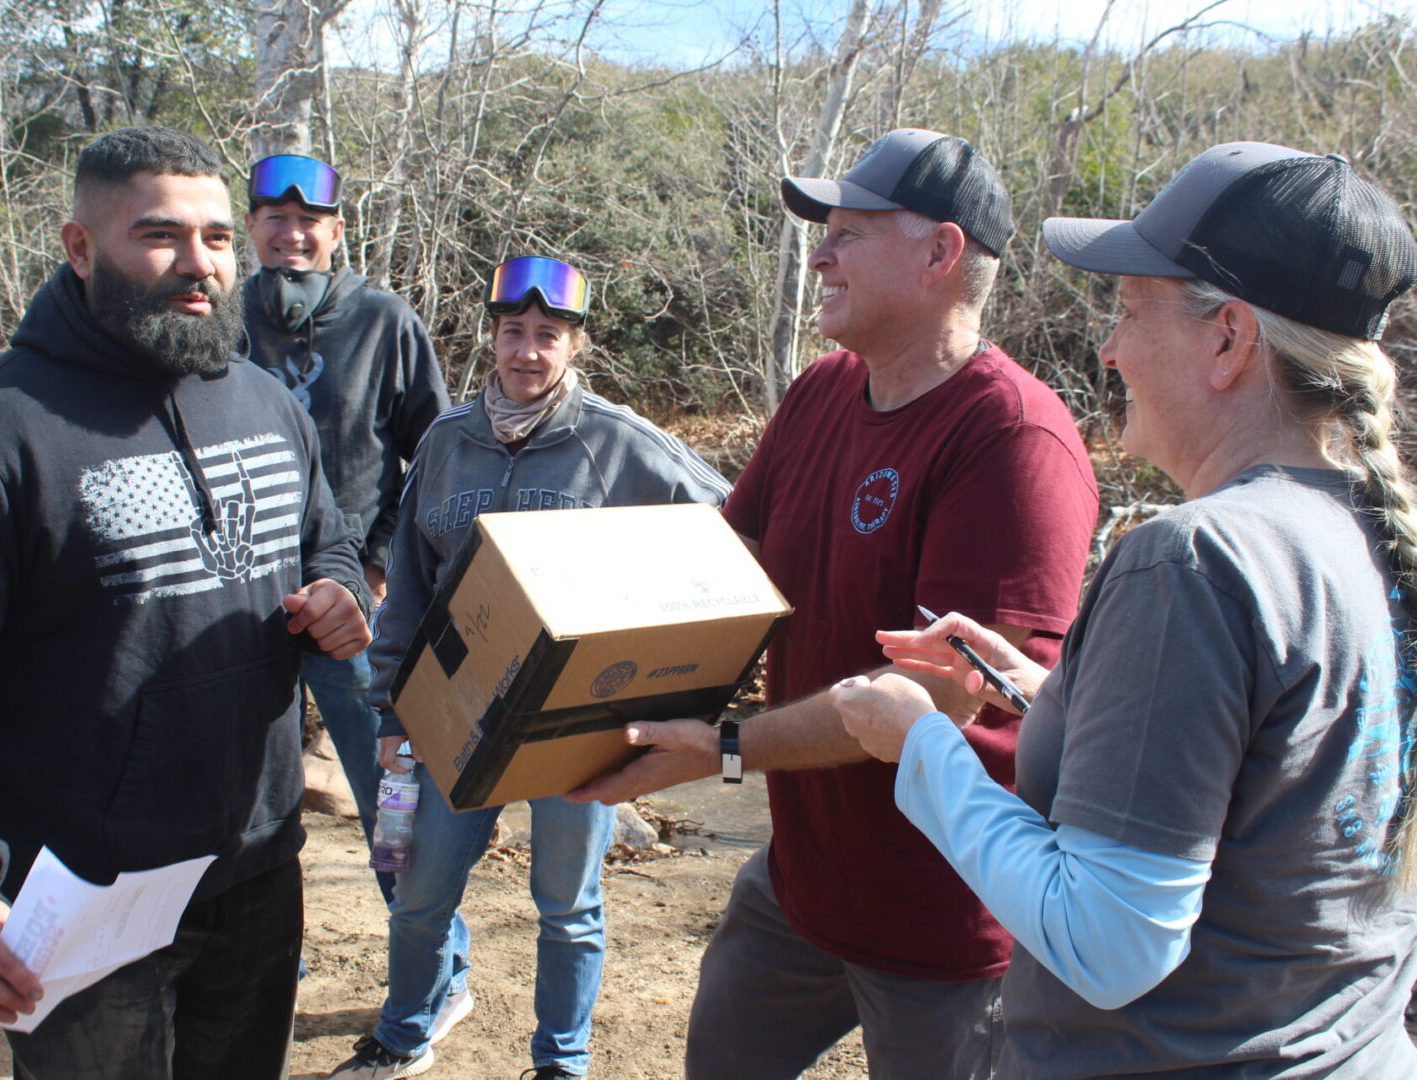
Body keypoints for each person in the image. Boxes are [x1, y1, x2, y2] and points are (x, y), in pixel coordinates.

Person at [833, 141, 1417, 1078]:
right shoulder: (1370, 532)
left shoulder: (1195, 559)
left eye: (1129, 311)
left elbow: (1110, 941)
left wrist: (923, 746)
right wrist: (1058, 696)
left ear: (1229, 339)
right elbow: (1273, 790)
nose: (1107, 350)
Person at [568, 129, 1101, 1079]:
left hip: (943, 919)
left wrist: (724, 749)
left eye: (849, 232)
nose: (819, 253)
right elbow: (739, 563)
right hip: (801, 884)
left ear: (940, 253)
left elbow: (941, 699)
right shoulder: (822, 390)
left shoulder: (1013, 441)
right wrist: (576, 666)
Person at [0, 126, 373, 1080]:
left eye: (218, 238)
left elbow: (325, 538)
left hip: (255, 867)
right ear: (81, 248)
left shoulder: (265, 402)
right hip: (83, 895)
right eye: (161, 236)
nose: (200, 264)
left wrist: (340, 592)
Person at [328, 255, 731, 1080]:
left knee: (568, 906)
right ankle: (405, 1035)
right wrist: (391, 717)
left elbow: (732, 519)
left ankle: (562, 1062)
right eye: (514, 332)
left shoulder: (617, 443)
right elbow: (405, 587)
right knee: (419, 892)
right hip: (457, 713)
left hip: (576, 718)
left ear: (575, 345)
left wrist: (658, 649)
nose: (528, 352)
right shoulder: (445, 444)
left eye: (549, 335)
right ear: (493, 337)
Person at [241, 155, 450, 900]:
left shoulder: (384, 320)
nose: (292, 235)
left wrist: (377, 564)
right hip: (243, 605)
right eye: (277, 220)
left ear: (335, 232)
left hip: (357, 604)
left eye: (309, 222)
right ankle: (264, 963)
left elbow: (434, 456)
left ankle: (432, 959)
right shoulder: (222, 321)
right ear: (251, 228)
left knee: (389, 787)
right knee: (245, 799)